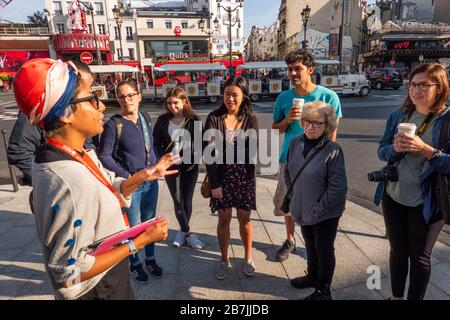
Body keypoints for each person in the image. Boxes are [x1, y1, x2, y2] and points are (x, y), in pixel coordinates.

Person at [13, 58, 177, 300]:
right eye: (92, 98)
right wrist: (139, 242)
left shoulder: (77, 153)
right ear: (66, 114)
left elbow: (110, 185)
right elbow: (66, 274)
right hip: (98, 290)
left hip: (109, 278)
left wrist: (145, 174)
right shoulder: (65, 178)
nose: (102, 107)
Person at [374, 63, 450, 300]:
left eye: (423, 85)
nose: (415, 90)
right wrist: (394, 149)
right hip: (394, 193)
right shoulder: (399, 115)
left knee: (420, 257)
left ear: (439, 87)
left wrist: (427, 150)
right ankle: (396, 297)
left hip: (428, 201)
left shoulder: (446, 120)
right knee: (397, 251)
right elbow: (381, 151)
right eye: (412, 85)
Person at [272, 49, 343, 262]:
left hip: (319, 162)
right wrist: (287, 120)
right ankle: (291, 240)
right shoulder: (284, 98)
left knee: (317, 203)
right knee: (288, 201)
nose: (293, 73)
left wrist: (329, 163)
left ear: (310, 70)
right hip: (290, 159)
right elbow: (276, 128)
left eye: (298, 69)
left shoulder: (328, 96)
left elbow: (333, 133)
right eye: (290, 69)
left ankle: (316, 242)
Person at [97, 80, 163, 284]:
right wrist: (126, 176)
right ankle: (135, 263)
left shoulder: (145, 117)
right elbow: (104, 155)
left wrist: (159, 164)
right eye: (122, 96)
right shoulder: (113, 124)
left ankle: (150, 258)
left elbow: (149, 148)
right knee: (133, 227)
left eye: (131, 95)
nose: (127, 100)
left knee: (150, 223)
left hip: (151, 182)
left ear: (139, 96)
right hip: (132, 184)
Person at [285, 102, 347, 300]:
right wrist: (295, 197)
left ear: (327, 125)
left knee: (324, 248)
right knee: (310, 244)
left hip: (325, 213)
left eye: (317, 123)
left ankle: (323, 289)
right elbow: (288, 171)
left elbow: (338, 187)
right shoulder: (295, 142)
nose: (311, 127)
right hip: (303, 207)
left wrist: (319, 210)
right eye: (307, 121)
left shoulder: (333, 150)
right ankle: (312, 276)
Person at [204, 77, 259, 280]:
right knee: (224, 220)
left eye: (235, 94)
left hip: (244, 178)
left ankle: (248, 257)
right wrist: (215, 184)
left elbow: (252, 151)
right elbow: (209, 153)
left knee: (245, 219)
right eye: (227, 94)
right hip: (222, 179)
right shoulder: (214, 117)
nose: (230, 99)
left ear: (244, 96)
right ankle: (224, 259)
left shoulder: (250, 118)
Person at [153, 87, 204, 250]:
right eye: (168, 103)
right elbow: (156, 143)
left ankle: (182, 232)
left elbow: (200, 145)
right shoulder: (162, 120)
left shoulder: (194, 119)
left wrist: (187, 157)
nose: (171, 106)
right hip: (170, 166)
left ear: (184, 102)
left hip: (190, 166)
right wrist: (163, 158)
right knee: (177, 200)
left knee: (187, 200)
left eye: (175, 103)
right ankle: (188, 233)